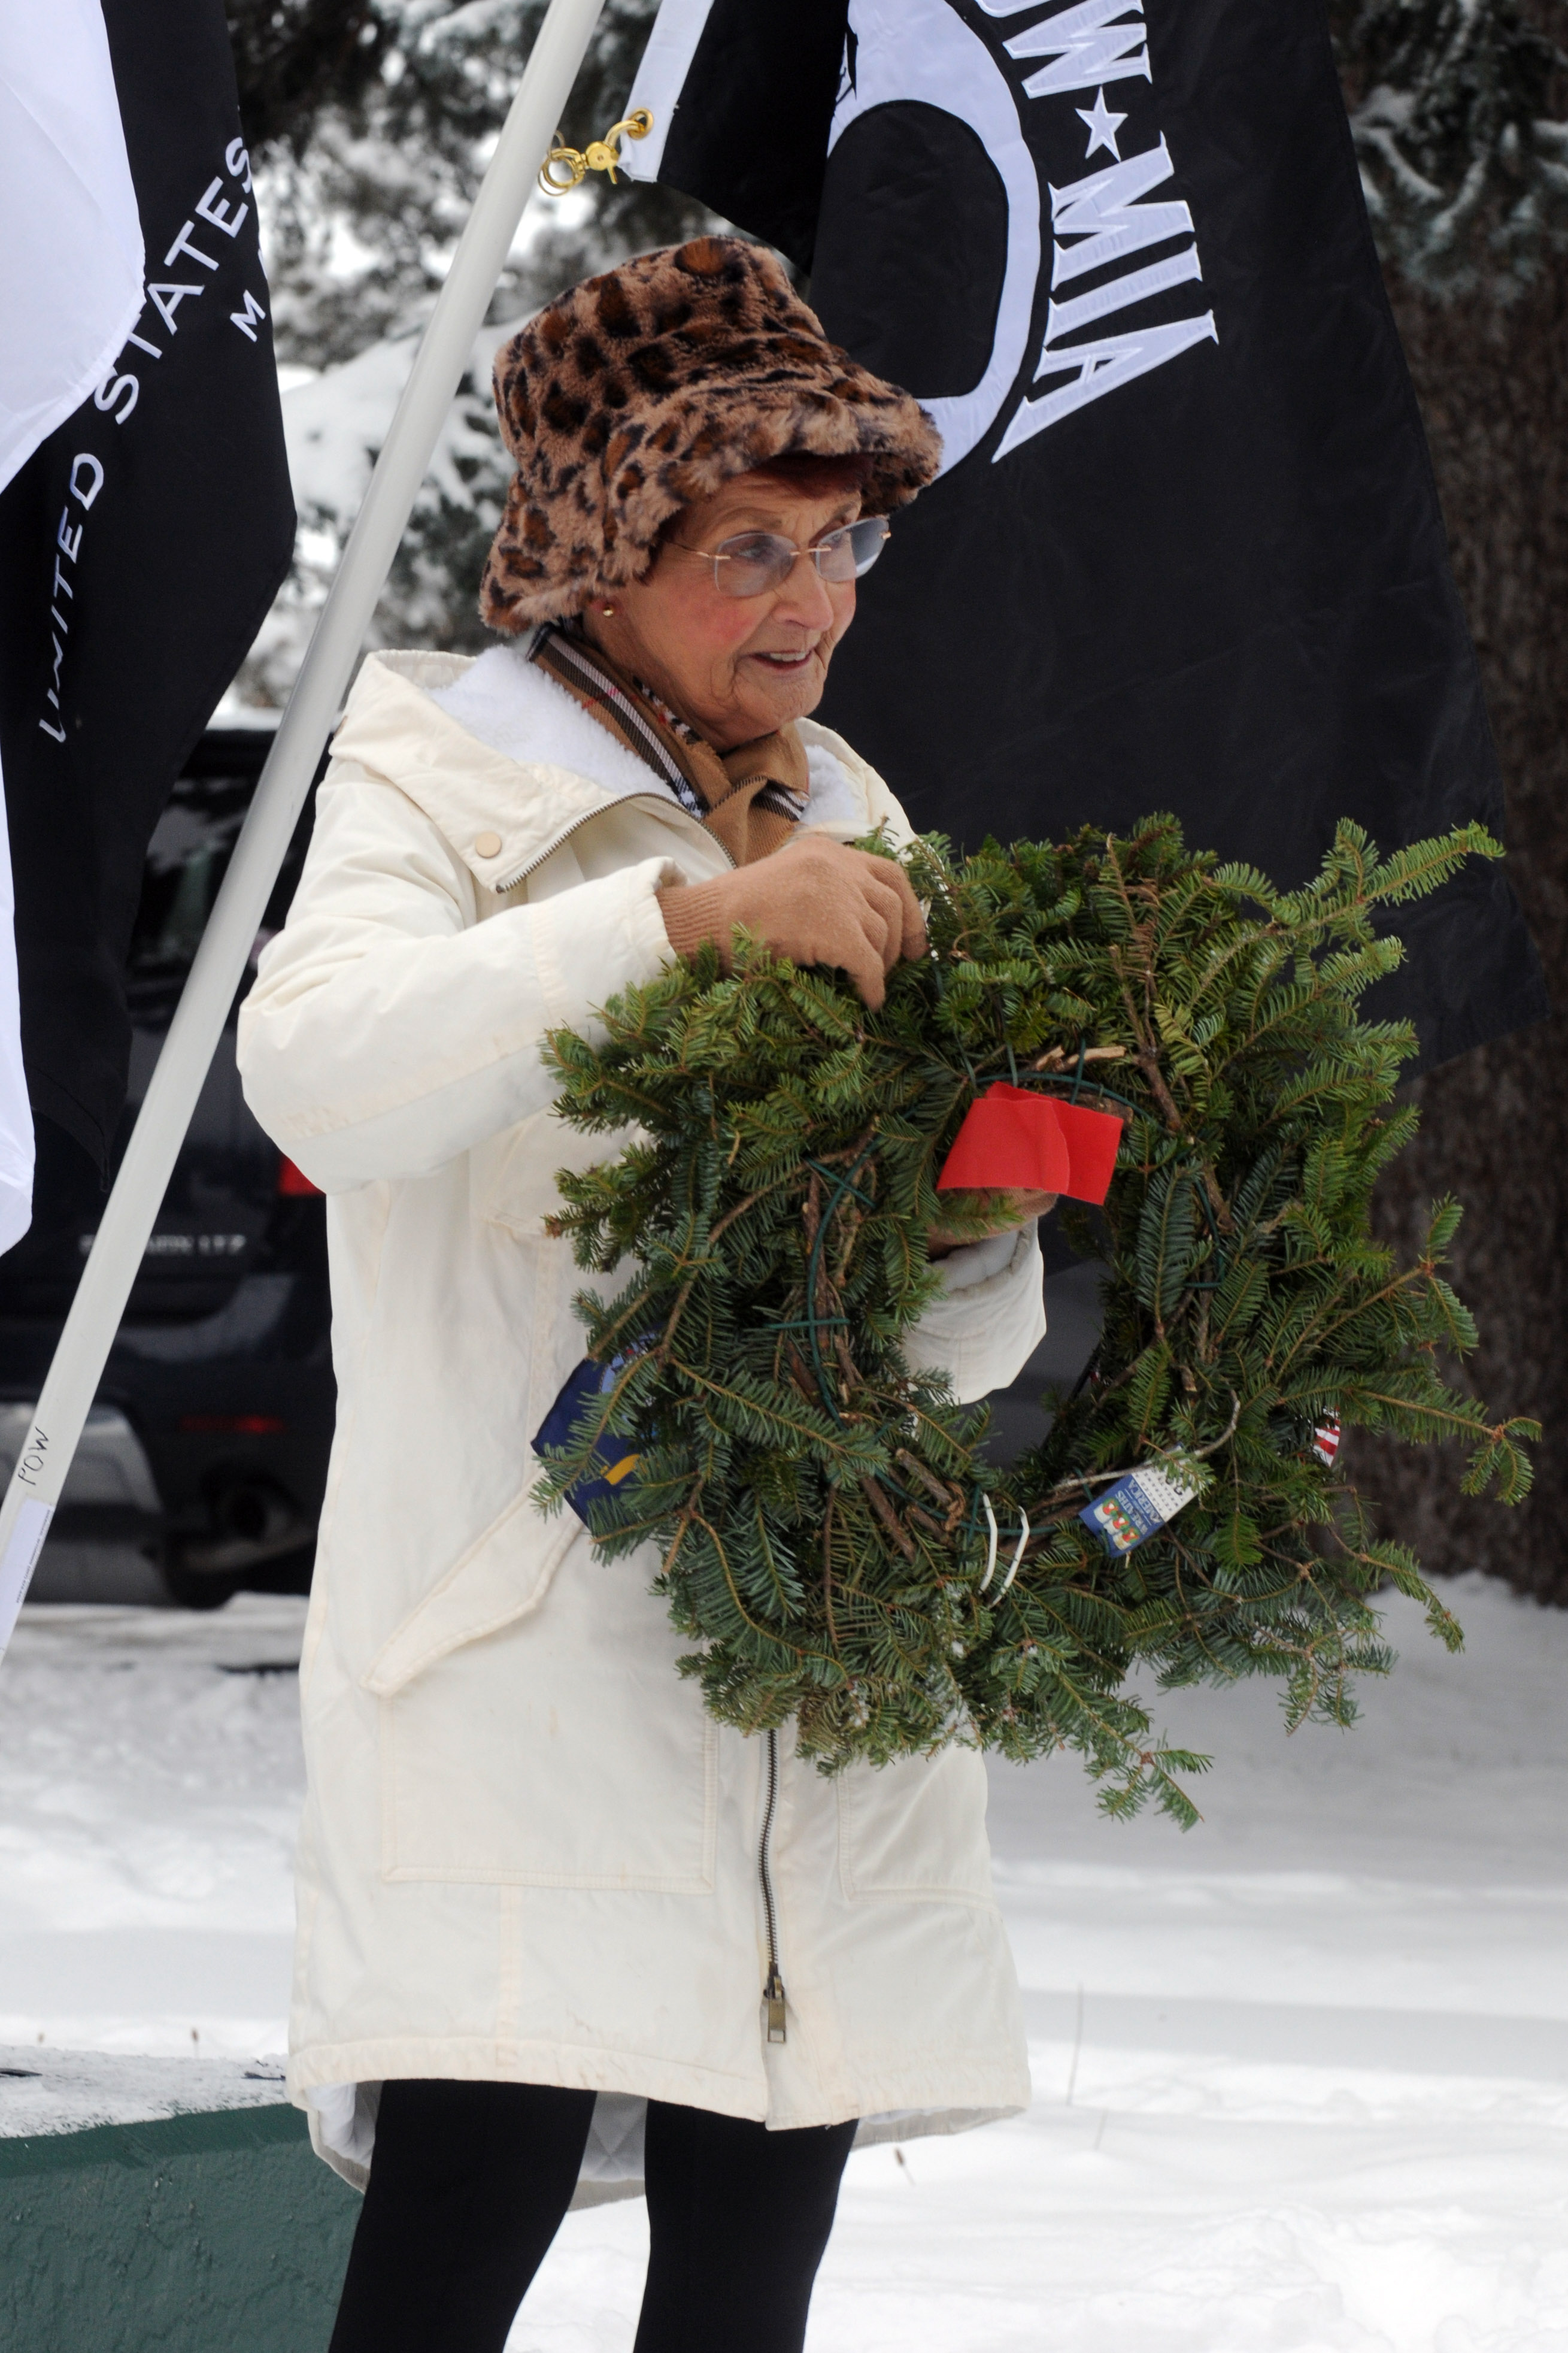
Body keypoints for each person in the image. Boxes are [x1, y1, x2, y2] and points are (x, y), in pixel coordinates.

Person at [238, 235, 1051, 2353]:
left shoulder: (855, 806)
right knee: (449, 2253)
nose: (811, 598)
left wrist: (983, 1226)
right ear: (603, 548)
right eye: (748, 545)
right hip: (521, 1650)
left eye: (843, 538)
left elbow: (948, 1350)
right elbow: (315, 1066)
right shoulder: (432, 773)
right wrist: (677, 926)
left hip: (807, 1668)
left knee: (747, 2288)